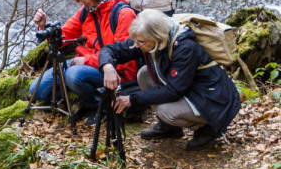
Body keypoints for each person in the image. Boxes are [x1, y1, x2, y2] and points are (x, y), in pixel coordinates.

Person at [98, 9, 240, 150]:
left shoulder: (185, 47)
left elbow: (173, 91)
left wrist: (131, 99)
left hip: (212, 98)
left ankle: (208, 128)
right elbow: (111, 49)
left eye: (140, 42)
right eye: (136, 41)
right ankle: (170, 129)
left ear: (157, 37)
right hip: (189, 88)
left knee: (165, 111)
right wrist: (107, 66)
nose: (136, 46)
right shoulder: (146, 39)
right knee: (144, 74)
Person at [29, 0, 137, 126]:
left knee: (74, 75)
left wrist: (85, 61)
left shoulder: (124, 14)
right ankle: (84, 94)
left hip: (116, 73)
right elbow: (63, 38)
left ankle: (100, 107)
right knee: (37, 90)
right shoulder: (87, 10)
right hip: (87, 64)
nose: (80, 2)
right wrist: (44, 27)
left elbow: (121, 60)